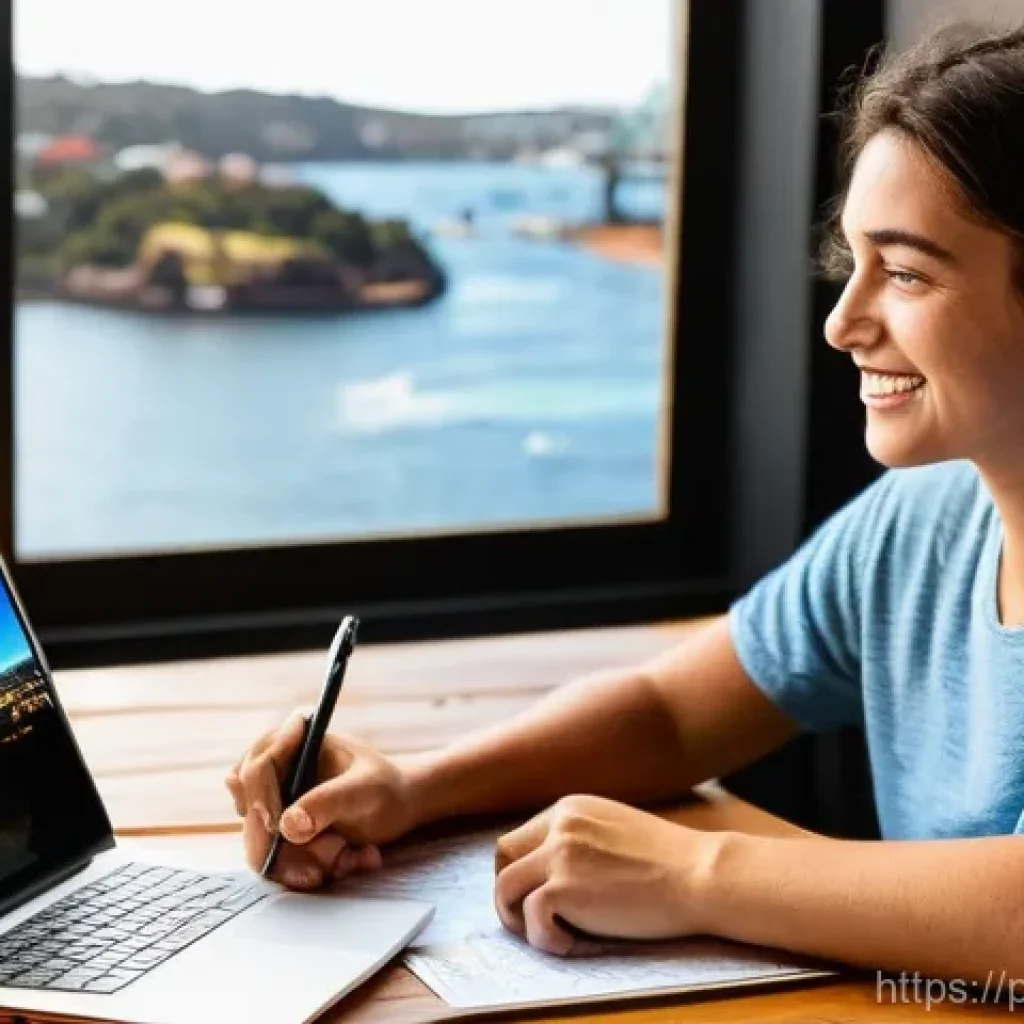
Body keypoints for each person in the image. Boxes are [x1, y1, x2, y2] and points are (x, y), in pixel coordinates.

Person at [227, 20, 1024, 985]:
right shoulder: (923, 521)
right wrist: (414, 790)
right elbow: (672, 714)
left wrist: (692, 873)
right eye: (851, 260)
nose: (841, 321)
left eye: (903, 271)